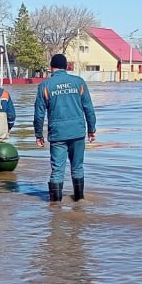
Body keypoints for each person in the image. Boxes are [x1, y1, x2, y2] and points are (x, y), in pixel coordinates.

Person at [33, 53, 97, 203]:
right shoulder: (79, 82)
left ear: (51, 67)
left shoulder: (45, 86)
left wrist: (38, 134)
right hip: (77, 132)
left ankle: (55, 206)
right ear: (66, 66)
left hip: (58, 134)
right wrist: (91, 129)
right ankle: (79, 200)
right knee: (78, 168)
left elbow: (39, 114)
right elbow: (89, 108)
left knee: (57, 170)